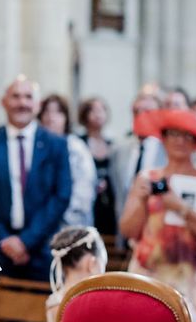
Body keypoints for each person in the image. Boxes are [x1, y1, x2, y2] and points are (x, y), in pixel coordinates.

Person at [119, 108, 196, 322]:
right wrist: (141, 200)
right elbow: (128, 229)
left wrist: (179, 206)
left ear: (194, 142)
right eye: (172, 135)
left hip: (190, 277)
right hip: (148, 274)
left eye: (186, 136)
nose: (179, 142)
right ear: (163, 139)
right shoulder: (148, 177)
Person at [0, 76, 72, 281]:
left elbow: (61, 195)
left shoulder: (56, 144)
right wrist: (3, 240)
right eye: (15, 96)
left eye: (28, 97)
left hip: (42, 248)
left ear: (38, 105)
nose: (22, 103)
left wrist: (26, 241)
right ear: (4, 102)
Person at [109, 91, 167, 232]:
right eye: (136, 111)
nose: (141, 116)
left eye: (147, 111)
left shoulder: (168, 150)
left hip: (158, 229)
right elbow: (117, 194)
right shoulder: (119, 150)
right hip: (126, 230)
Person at [38, 94, 96, 227]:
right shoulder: (36, 145)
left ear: (66, 118)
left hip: (69, 224)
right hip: (38, 225)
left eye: (58, 112)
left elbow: (84, 193)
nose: (51, 118)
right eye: (47, 111)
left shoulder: (76, 147)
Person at [78, 97, 117, 235]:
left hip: (108, 203)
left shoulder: (112, 144)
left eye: (101, 110)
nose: (98, 114)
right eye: (93, 110)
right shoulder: (79, 143)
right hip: (88, 203)